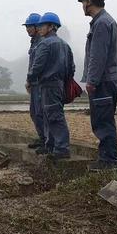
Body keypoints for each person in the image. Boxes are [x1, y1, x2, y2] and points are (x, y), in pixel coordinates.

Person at [78, 0, 117, 171]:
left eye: (83, 1)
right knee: (104, 119)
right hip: (107, 79)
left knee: (103, 121)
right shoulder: (104, 21)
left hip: (102, 81)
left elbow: (98, 56)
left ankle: (109, 161)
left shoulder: (102, 23)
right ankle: (107, 158)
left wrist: (92, 81)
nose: (82, 6)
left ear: (89, 1)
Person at [27, 13, 75, 160]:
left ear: (51, 27)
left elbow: (37, 67)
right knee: (51, 116)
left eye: (42, 25)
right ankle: (52, 146)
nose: (40, 28)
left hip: (48, 85)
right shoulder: (65, 45)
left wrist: (30, 79)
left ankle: (61, 149)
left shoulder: (44, 44)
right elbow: (71, 68)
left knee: (53, 117)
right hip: (59, 84)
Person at [23, 13, 44, 149]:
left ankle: (47, 140)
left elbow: (38, 65)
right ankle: (42, 138)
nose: (28, 29)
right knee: (34, 112)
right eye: (27, 27)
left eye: (30, 26)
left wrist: (30, 79)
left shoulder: (42, 42)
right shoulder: (34, 42)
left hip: (40, 83)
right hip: (34, 83)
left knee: (41, 112)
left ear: (37, 27)